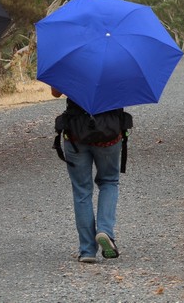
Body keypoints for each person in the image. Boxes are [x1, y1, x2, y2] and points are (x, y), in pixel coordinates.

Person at [50, 86, 122, 263]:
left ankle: (87, 250)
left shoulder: (69, 59)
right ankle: (105, 230)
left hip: (76, 132)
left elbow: (55, 92)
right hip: (108, 131)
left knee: (82, 190)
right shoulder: (118, 60)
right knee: (109, 181)